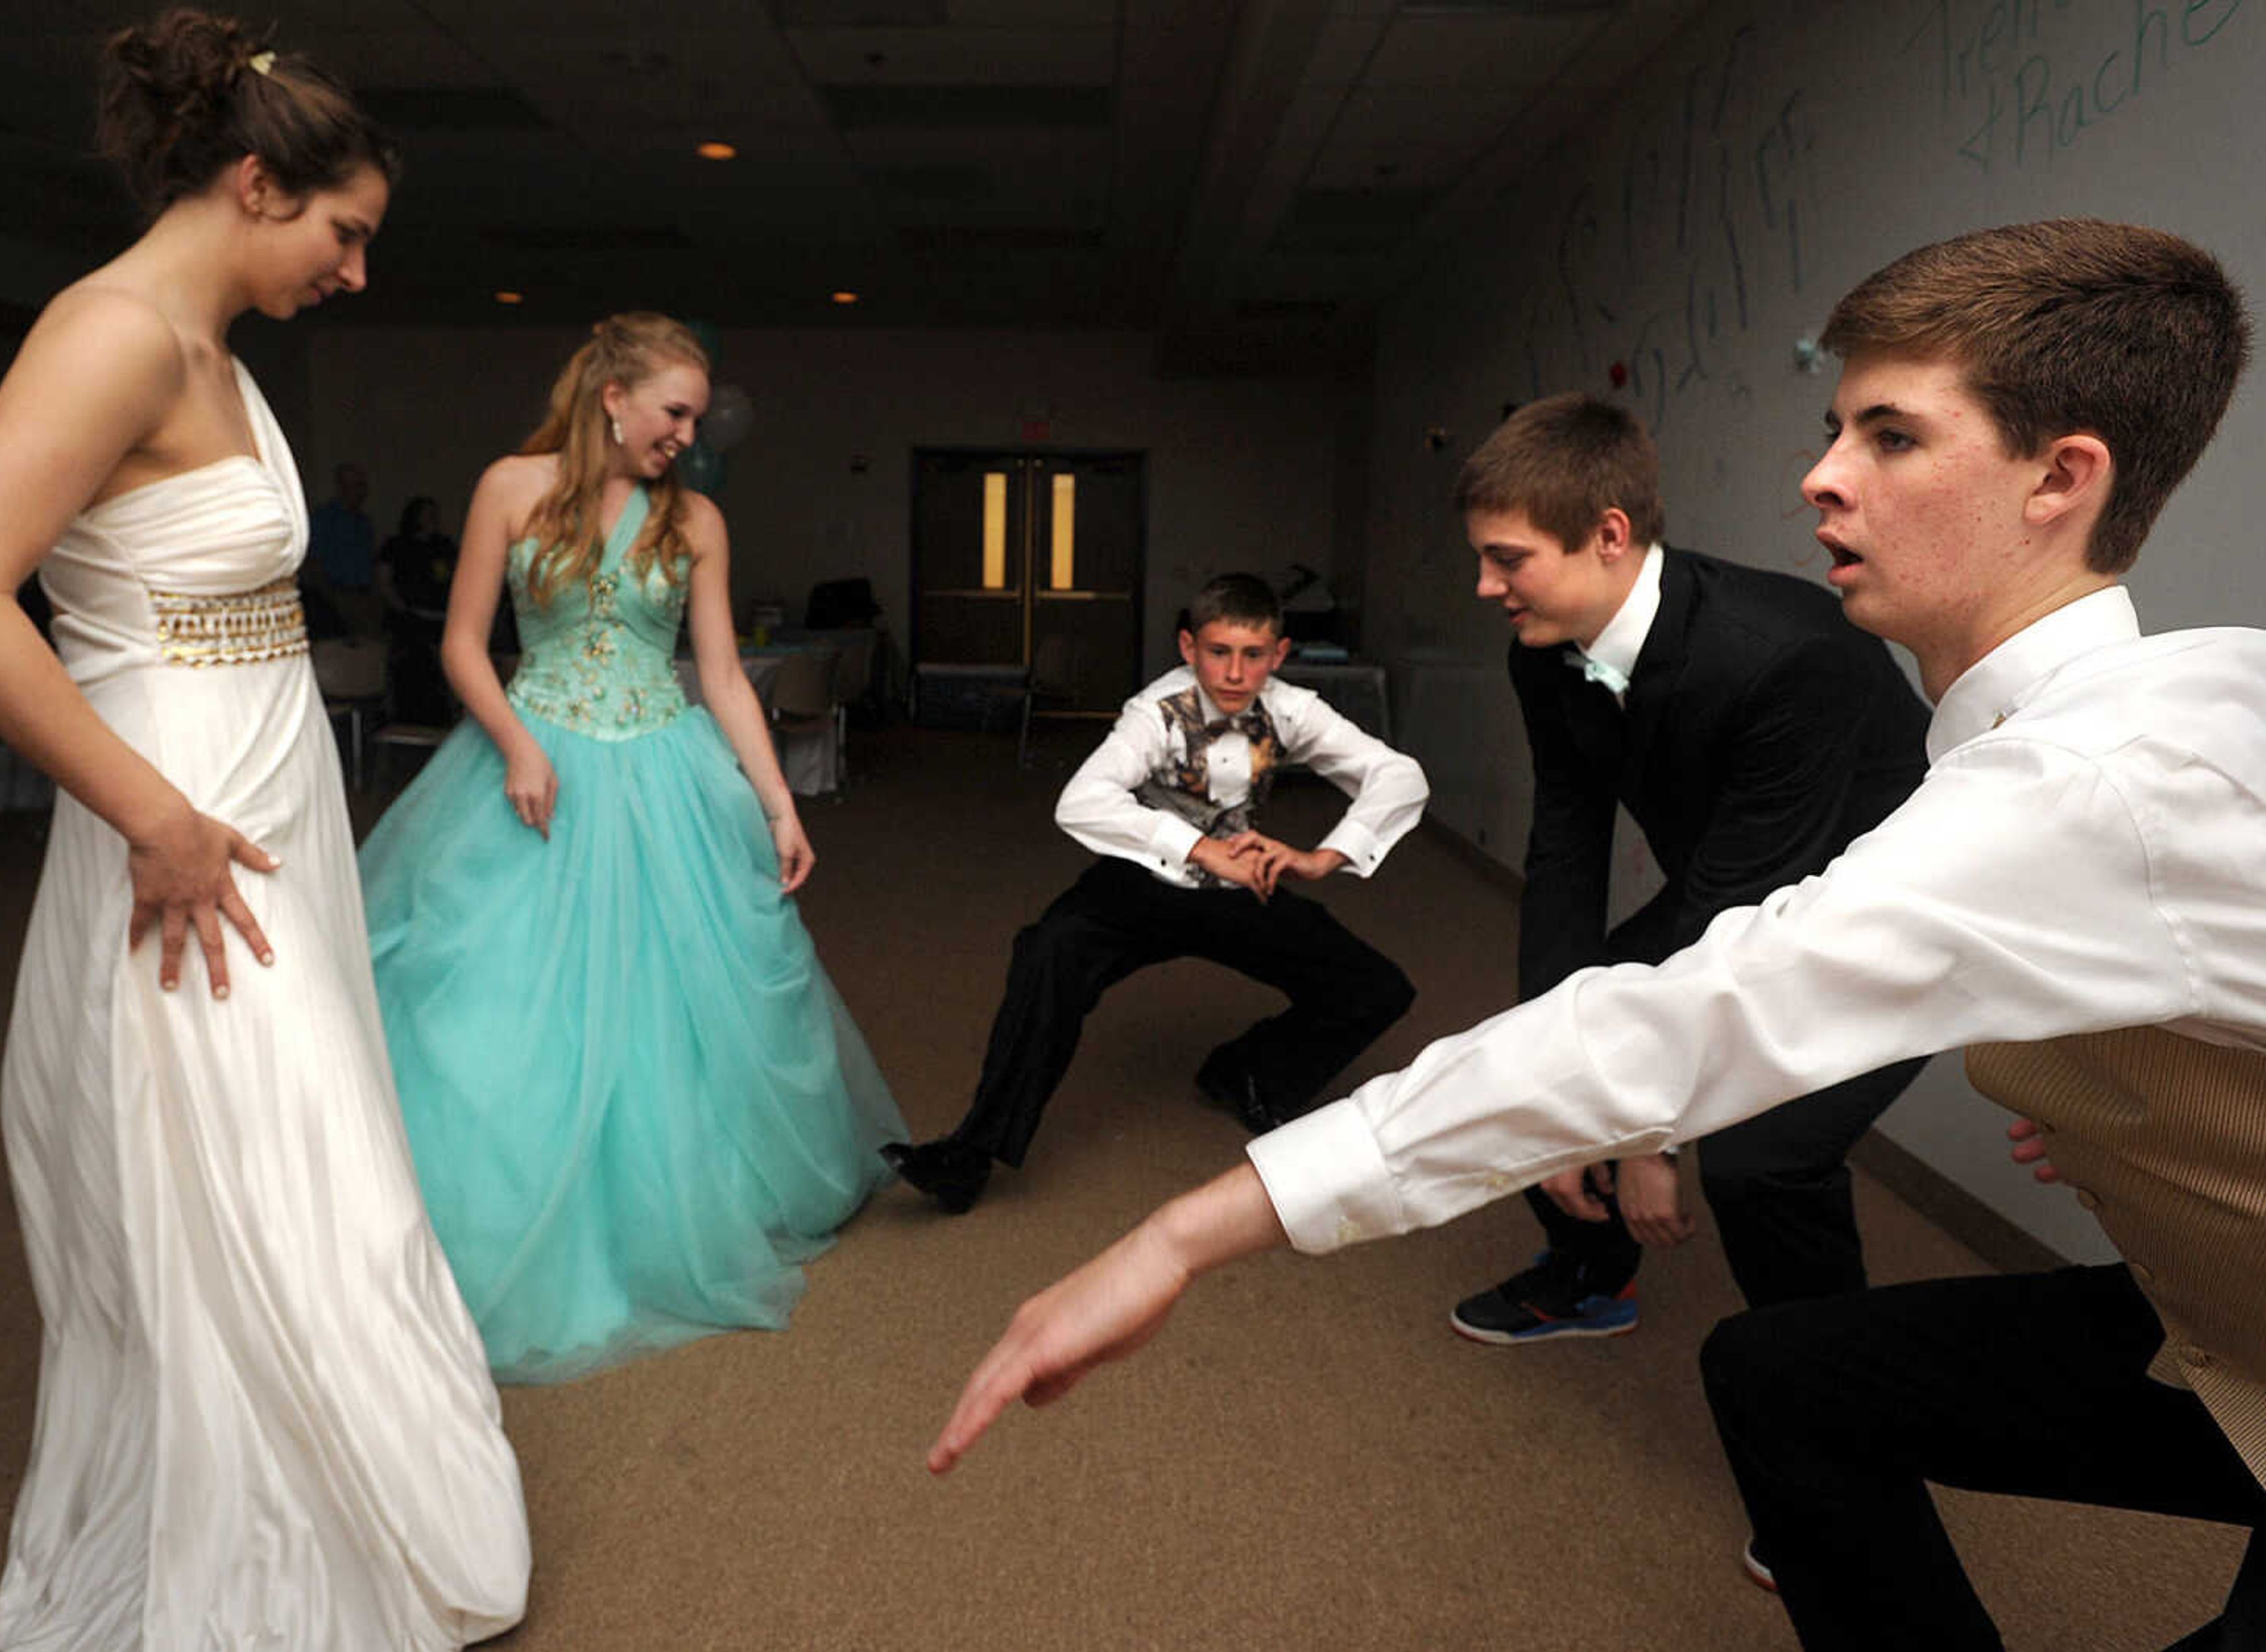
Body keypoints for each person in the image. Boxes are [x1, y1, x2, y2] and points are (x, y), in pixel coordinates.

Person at [927, 220, 2266, 1652]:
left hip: (2212, 1317)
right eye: (1834, 428)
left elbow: (1708, 1000)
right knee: (1774, 1367)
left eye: (1889, 436)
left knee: (1719, 1127)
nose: (1818, 474)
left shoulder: (2078, 774)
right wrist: (2115, 1088)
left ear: (2061, 479)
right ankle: (1585, 1265)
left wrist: (1188, 1234)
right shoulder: (2124, 735)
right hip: (2215, 1316)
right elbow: (1586, 870)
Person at [0, 12, 527, 1647]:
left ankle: (307, 1511)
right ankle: (264, 1554)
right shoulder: (112, 332)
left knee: (300, 1165)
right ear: (255, 181)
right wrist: (154, 817)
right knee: (253, 1170)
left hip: (260, 791)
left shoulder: (211, 349)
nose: (356, 272)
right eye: (346, 233)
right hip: (180, 815)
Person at [356, 312, 905, 1382]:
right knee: (508, 994)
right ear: (614, 396)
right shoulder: (509, 488)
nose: (689, 435)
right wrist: (516, 743)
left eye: (697, 418)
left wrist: (780, 804)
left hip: (663, 764)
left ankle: (664, 1213)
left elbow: (725, 675)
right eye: (675, 411)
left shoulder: (695, 517)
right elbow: (463, 644)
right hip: (534, 761)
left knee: (673, 998)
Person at [1447, 393, 1929, 1350]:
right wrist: (1554, 1048)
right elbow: (1566, 850)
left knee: (1761, 1162)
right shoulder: (1543, 656)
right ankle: (1590, 1281)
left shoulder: (1788, 655)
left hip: (1895, 921)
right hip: (1742, 884)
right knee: (1549, 1051)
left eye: (1508, 560)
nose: (1484, 586)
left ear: (1608, 535)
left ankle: (1832, 1386)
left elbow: (1735, 913)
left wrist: (1646, 1131)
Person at [882, 573, 1427, 1215]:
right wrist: (1200, 849)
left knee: (1377, 987)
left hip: (1240, 889)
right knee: (1047, 954)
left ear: (1278, 656)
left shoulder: (1293, 709)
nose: (1234, 672)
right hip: (1141, 885)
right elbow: (1082, 801)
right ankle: (968, 1156)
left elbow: (1398, 775)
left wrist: (1319, 858)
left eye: (1253, 656)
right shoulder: (1155, 711)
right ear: (1188, 648)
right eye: (1218, 652)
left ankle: (1244, 1073)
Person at [377, 492, 457, 724]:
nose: (433, 519)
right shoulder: (397, 545)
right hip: (408, 620)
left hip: (441, 619)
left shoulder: (444, 546)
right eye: (427, 514)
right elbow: (384, 581)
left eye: (435, 514)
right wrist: (403, 609)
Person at [306, 458, 377, 635]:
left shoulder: (364, 523)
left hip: (364, 596)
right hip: (335, 596)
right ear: (341, 487)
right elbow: (314, 563)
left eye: (362, 485)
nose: (360, 491)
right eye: (354, 485)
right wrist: (331, 598)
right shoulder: (325, 519)